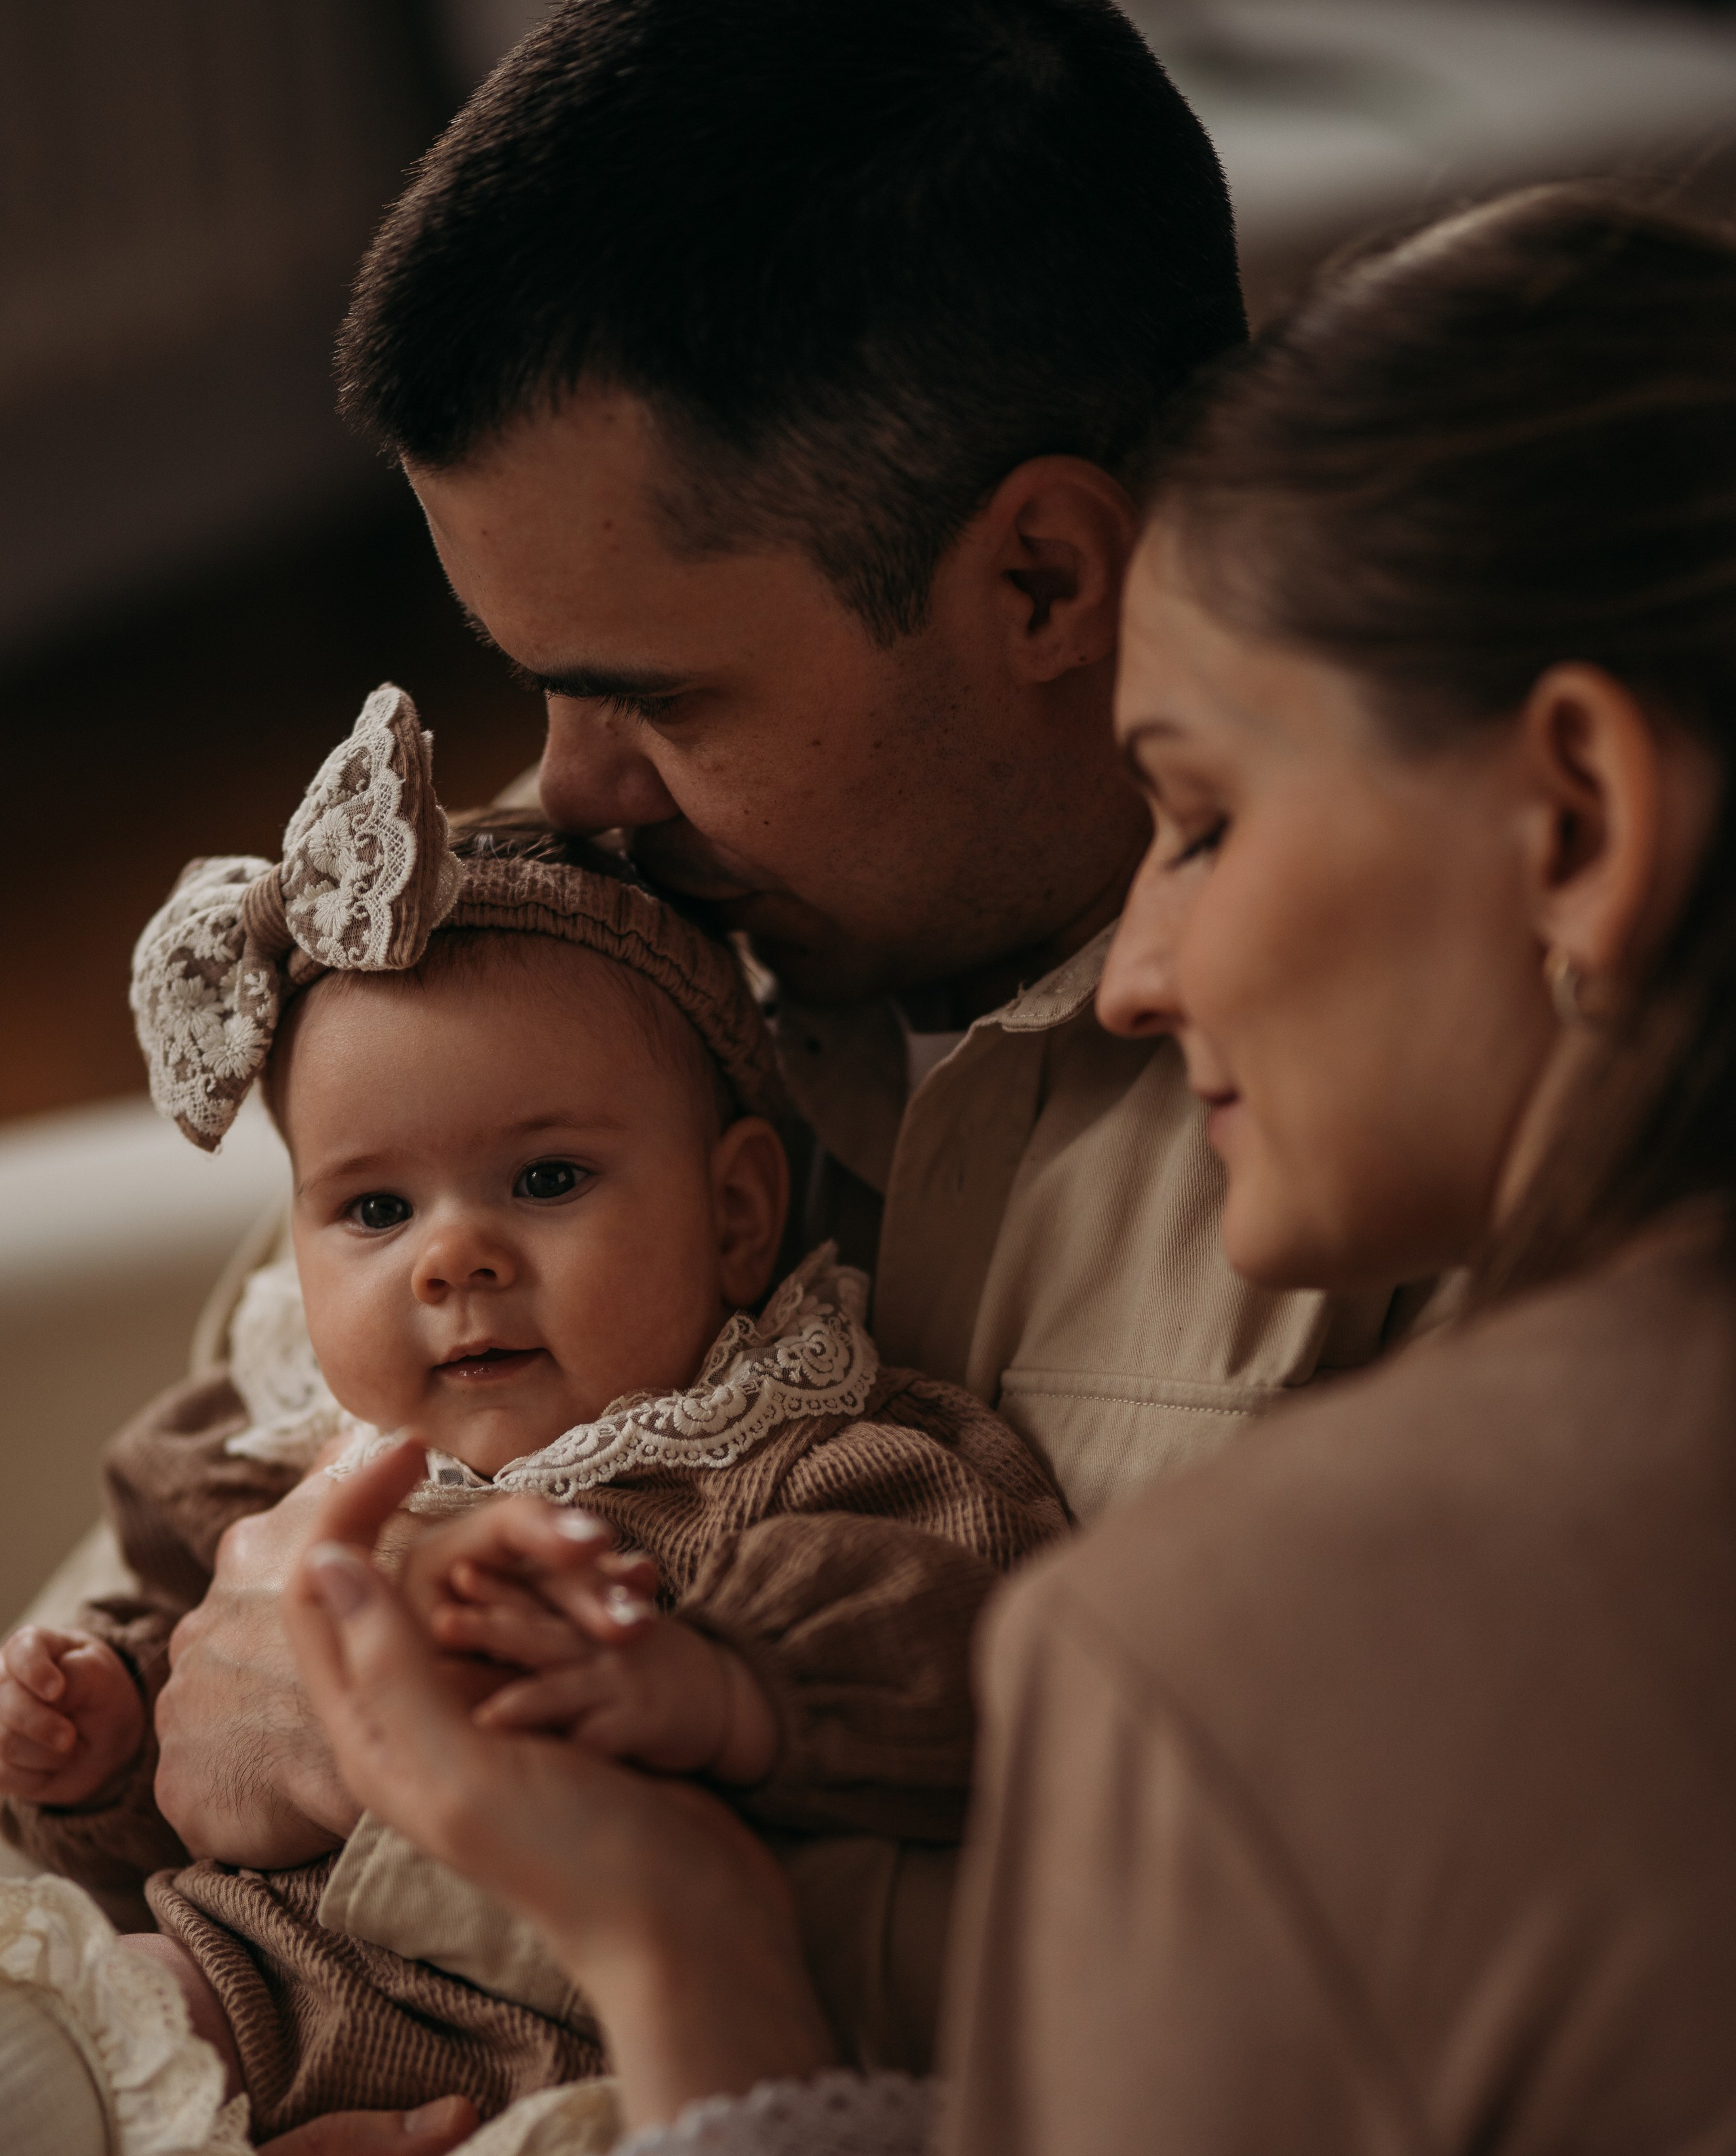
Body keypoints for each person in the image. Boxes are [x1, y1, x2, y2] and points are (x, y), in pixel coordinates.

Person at [18, 184, 1727, 2156]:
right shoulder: (551, 1001)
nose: (567, 791)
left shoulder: (1344, 1398)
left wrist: (660, 1928)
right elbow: (190, 1577)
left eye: (1204, 816)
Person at [6, 0, 1425, 1933]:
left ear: (1042, 583)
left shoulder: (1407, 1135)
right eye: (542, 682)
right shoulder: (566, 930)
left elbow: (1189, 1998)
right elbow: (177, 1565)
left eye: (653, 697)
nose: (572, 795)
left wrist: (407, 1786)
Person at [0, 688, 1063, 2156]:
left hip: (583, 2100)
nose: (454, 1257)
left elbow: (970, 1629)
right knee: (75, 2039)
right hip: (238, 2008)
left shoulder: (786, 1445)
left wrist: (722, 1681)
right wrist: (102, 1749)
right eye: (372, 1206)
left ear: (733, 1215)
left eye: (547, 1180)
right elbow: (181, 1776)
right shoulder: (265, 1454)